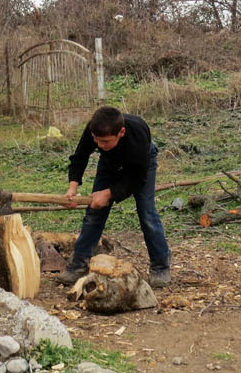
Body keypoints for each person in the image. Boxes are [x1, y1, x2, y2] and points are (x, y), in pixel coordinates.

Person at [57, 106, 171, 288]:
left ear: (121, 132)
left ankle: (160, 266)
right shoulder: (94, 129)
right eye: (97, 141)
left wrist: (109, 193)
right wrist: (72, 188)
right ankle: (78, 265)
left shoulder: (138, 134)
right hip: (110, 164)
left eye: (106, 142)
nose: (100, 145)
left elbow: (137, 179)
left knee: (147, 213)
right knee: (94, 213)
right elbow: (79, 157)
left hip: (140, 166)